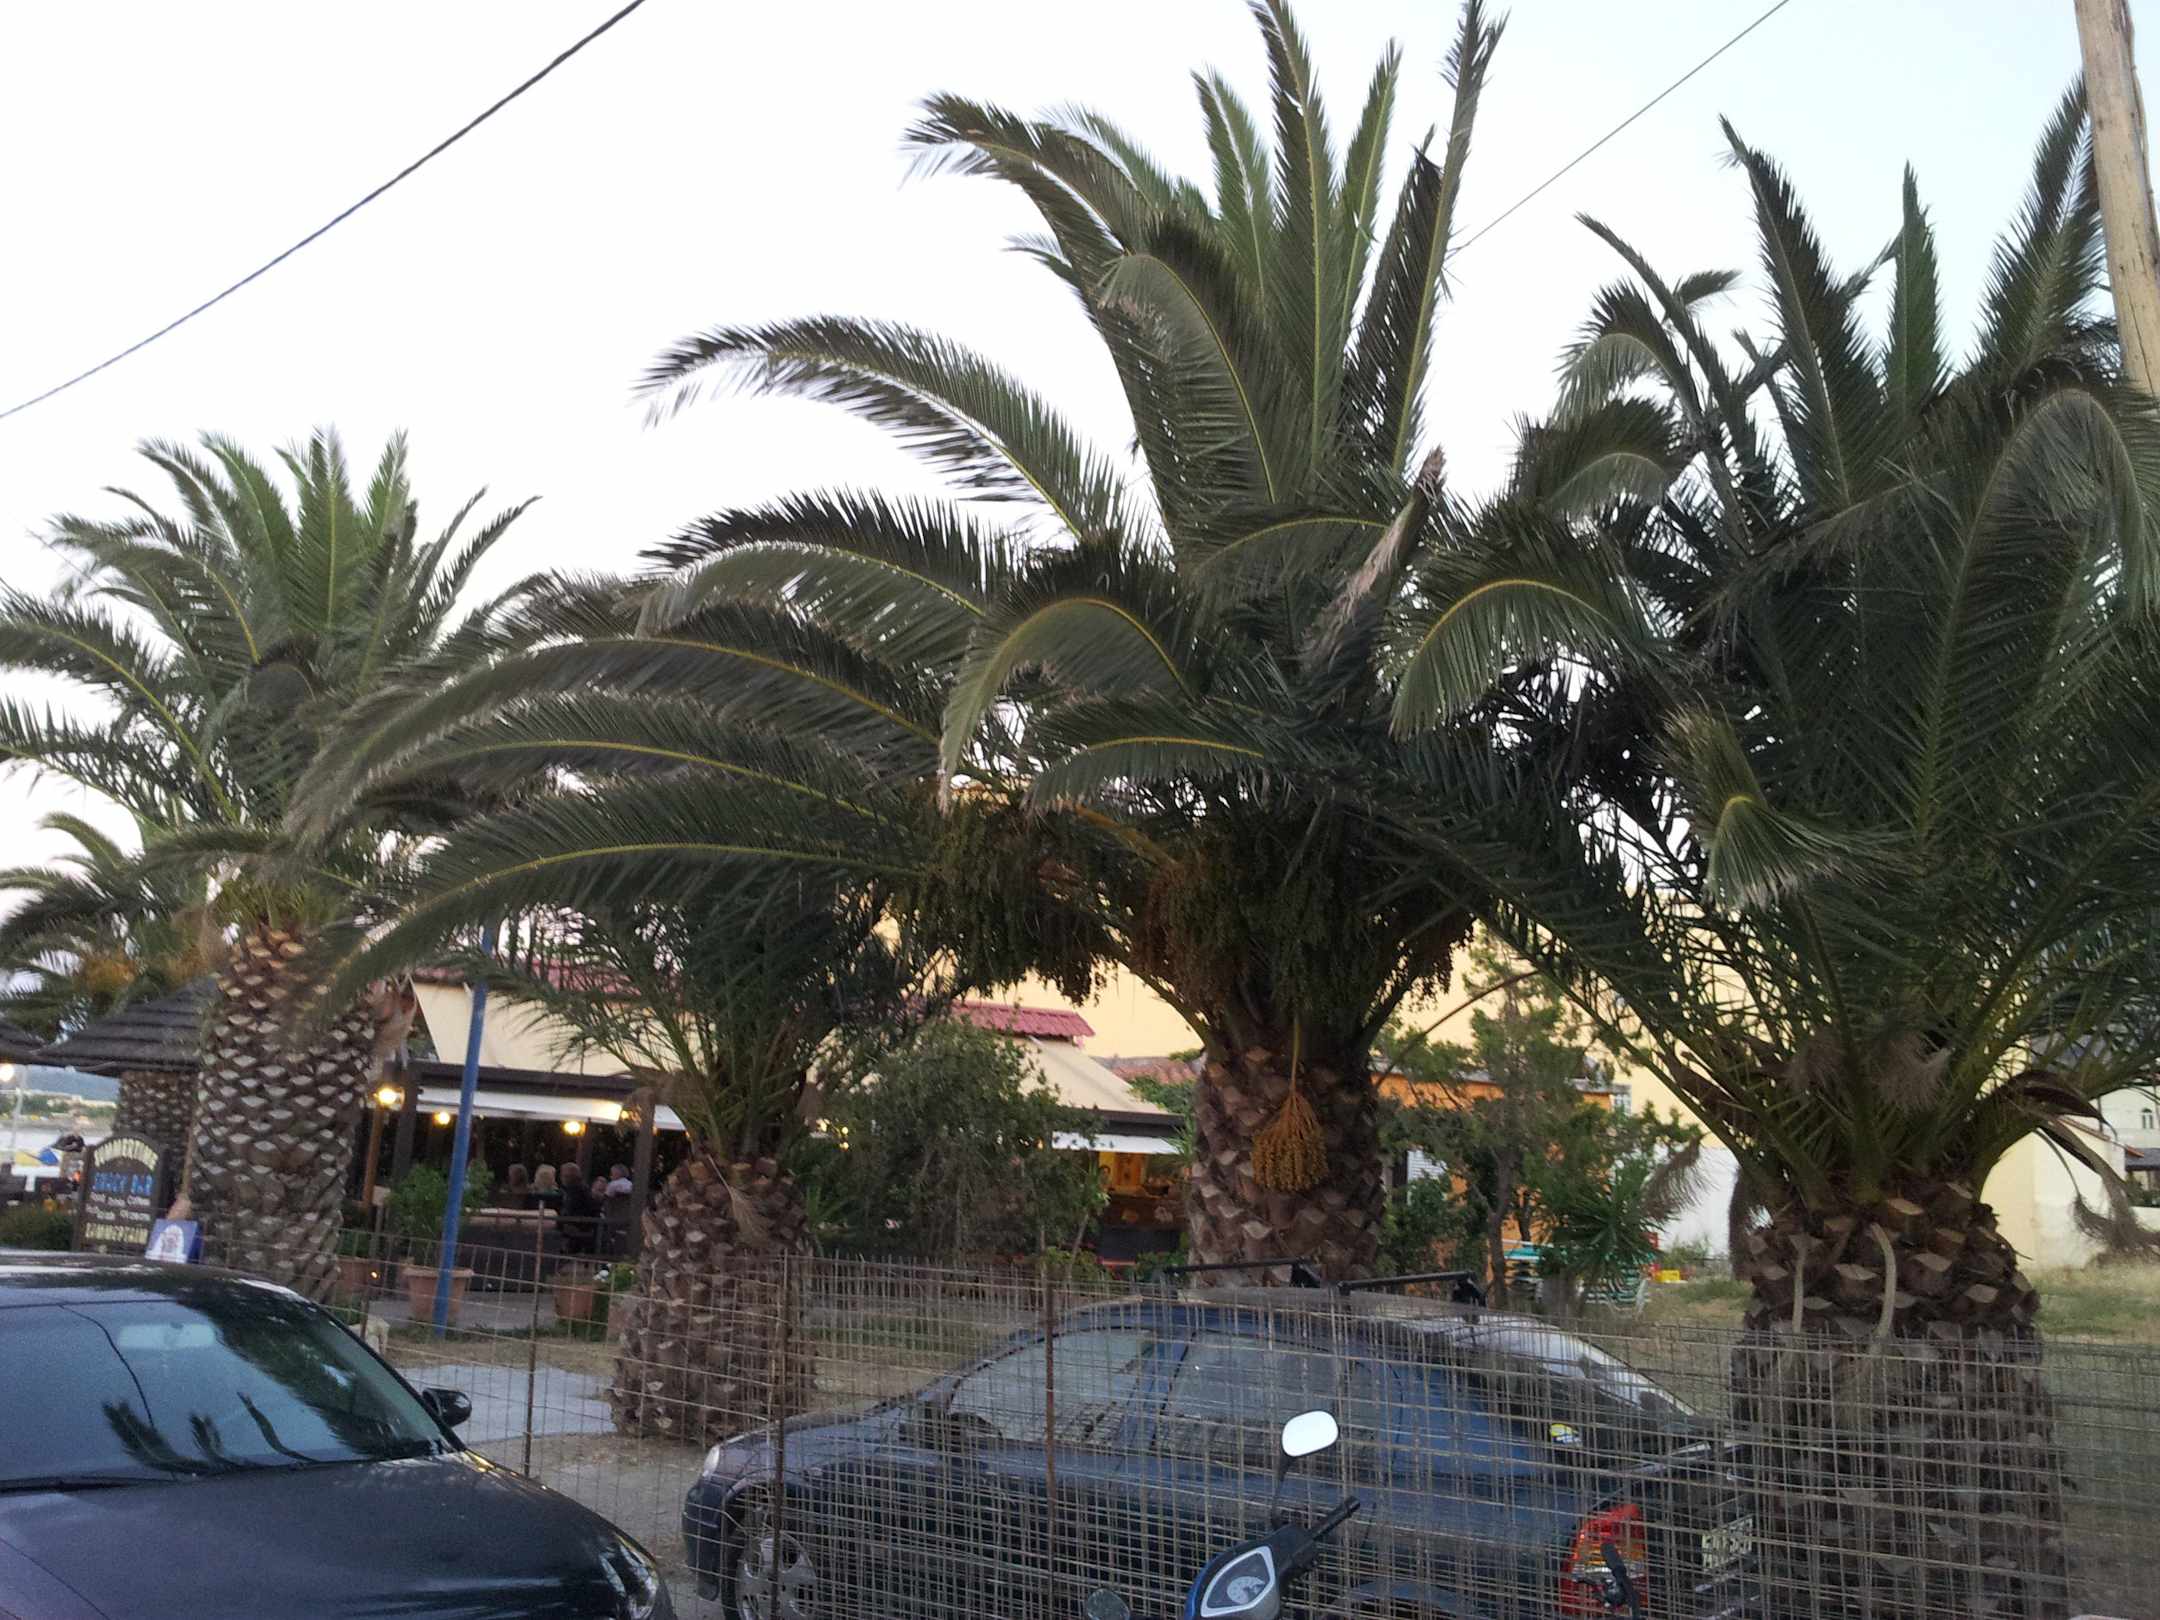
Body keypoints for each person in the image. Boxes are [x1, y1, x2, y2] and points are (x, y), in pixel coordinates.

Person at [558, 1161, 601, 1255]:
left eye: (562, 1175)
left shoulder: (575, 1191)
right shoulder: (583, 1188)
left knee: (551, 1225)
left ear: (567, 1177)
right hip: (585, 1224)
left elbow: (570, 1210)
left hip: (579, 1225)